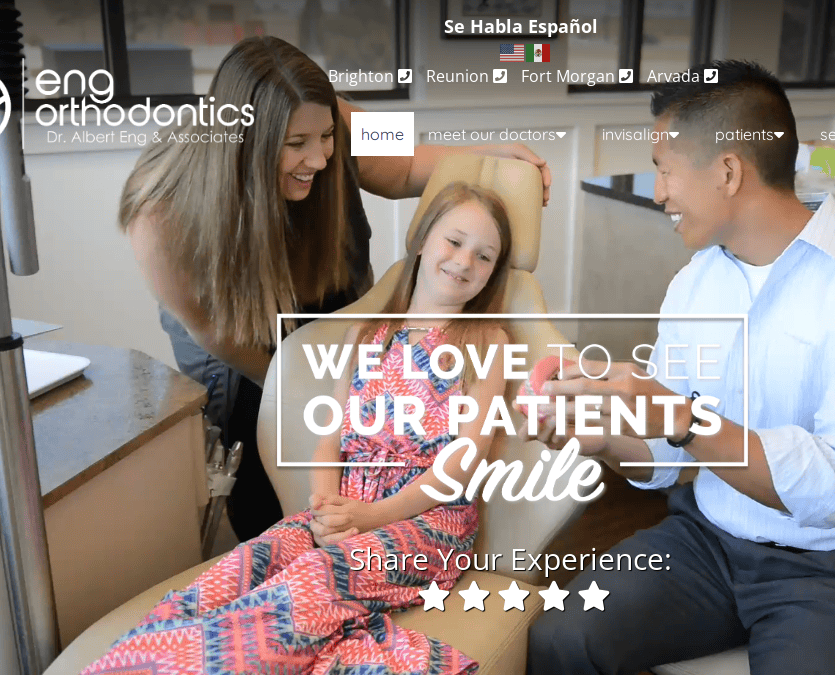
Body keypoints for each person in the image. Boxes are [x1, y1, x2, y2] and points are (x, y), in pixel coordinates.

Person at [522, 60, 835, 674]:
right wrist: (602, 436)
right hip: (706, 543)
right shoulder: (694, 284)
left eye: (665, 169)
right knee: (561, 639)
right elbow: (668, 461)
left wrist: (683, 418)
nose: (659, 191)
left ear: (727, 171)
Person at [119, 36, 550, 541]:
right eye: (297, 144)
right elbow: (215, 332)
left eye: (326, 137)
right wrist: (304, 388)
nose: (321, 158)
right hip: (238, 341)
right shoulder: (159, 210)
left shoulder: (333, 116)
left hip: (334, 301)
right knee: (270, 491)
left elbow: (408, 160)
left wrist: (484, 155)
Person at [84, 182, 514, 675]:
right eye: (454, 242)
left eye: (484, 256)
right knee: (248, 563)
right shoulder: (364, 335)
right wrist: (326, 509)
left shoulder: (487, 343)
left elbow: (460, 466)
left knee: (313, 577)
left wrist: (369, 518)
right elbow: (329, 436)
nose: (464, 262)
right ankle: (122, 670)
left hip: (425, 525)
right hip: (345, 507)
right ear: (421, 242)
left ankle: (196, 672)